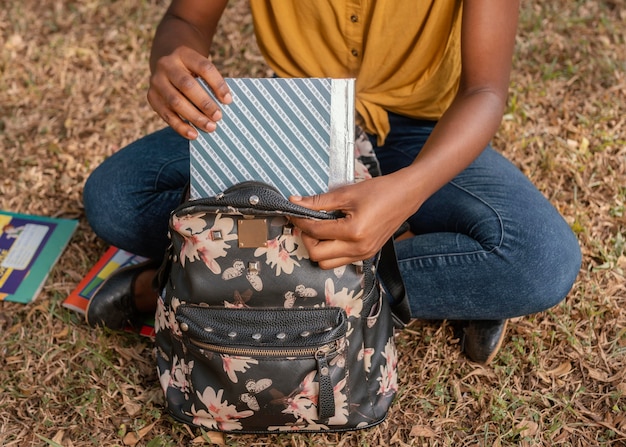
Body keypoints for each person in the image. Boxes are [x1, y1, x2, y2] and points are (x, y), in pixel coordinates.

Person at [83, 0, 581, 365]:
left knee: (538, 260)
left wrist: (408, 188)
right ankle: (452, 283)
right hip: (295, 114)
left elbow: (485, 90)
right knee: (115, 197)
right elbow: (186, 19)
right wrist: (171, 64)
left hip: (424, 130)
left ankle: (195, 280)